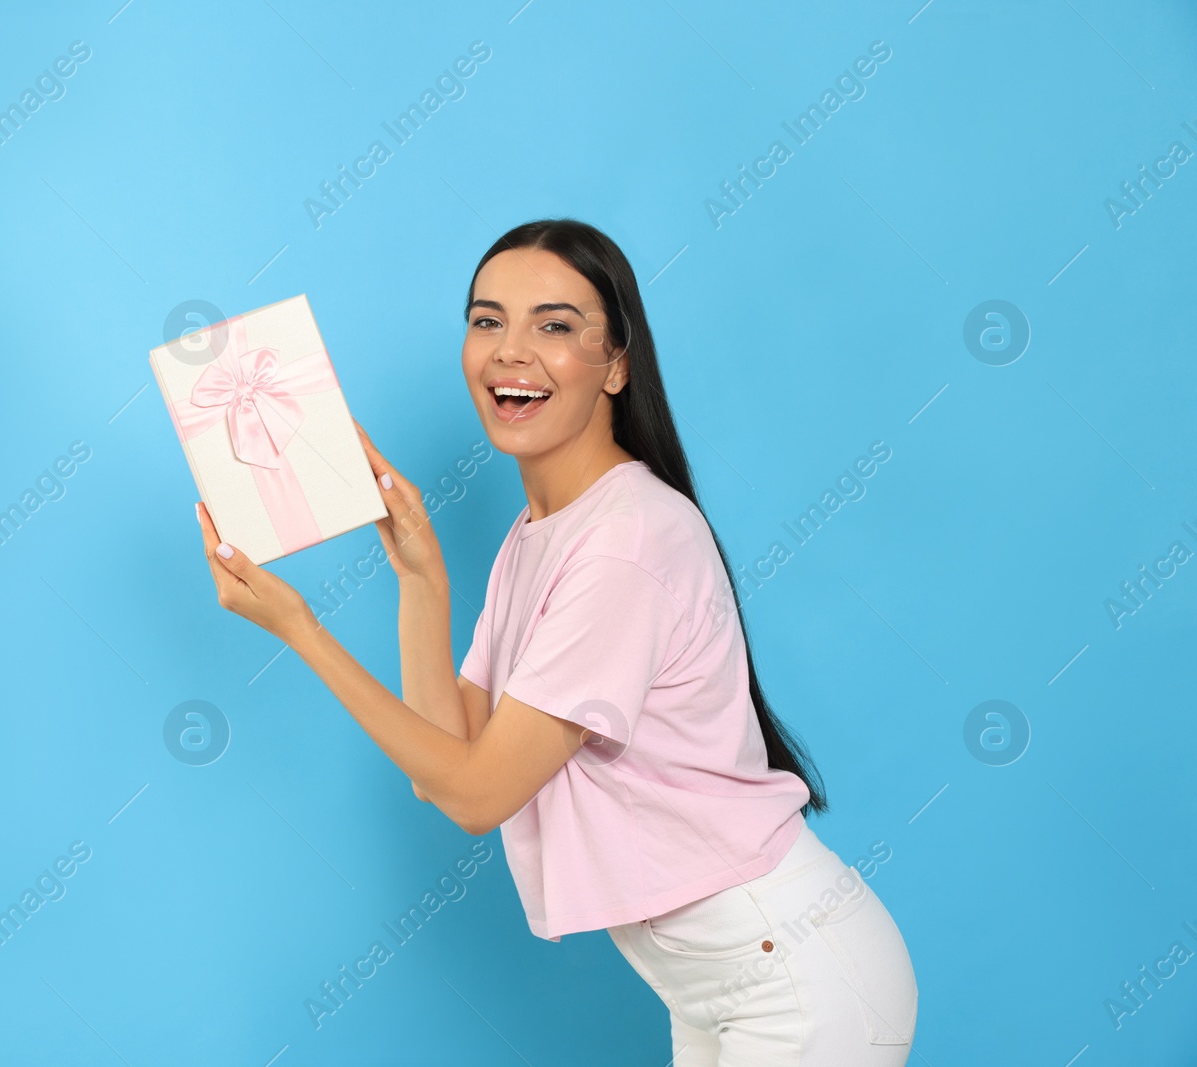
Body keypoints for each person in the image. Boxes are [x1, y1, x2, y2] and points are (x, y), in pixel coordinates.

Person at [195, 218, 917, 1064]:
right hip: (724, 982)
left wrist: (301, 630)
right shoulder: (542, 533)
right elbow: (450, 762)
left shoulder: (627, 542)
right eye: (487, 319)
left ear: (616, 363)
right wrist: (424, 583)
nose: (511, 351)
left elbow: (473, 796)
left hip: (793, 978)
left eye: (556, 325)